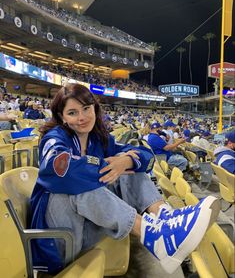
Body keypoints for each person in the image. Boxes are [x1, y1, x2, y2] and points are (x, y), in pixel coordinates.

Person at [30, 84, 220, 275]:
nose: (82, 117)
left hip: (87, 226)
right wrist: (107, 165)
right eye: (72, 112)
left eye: (86, 108)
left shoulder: (98, 139)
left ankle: (164, 217)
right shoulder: (54, 137)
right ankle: (154, 236)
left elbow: (146, 156)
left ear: (94, 108)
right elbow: (61, 170)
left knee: (129, 167)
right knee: (81, 184)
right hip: (59, 238)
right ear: (62, 117)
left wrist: (126, 160)